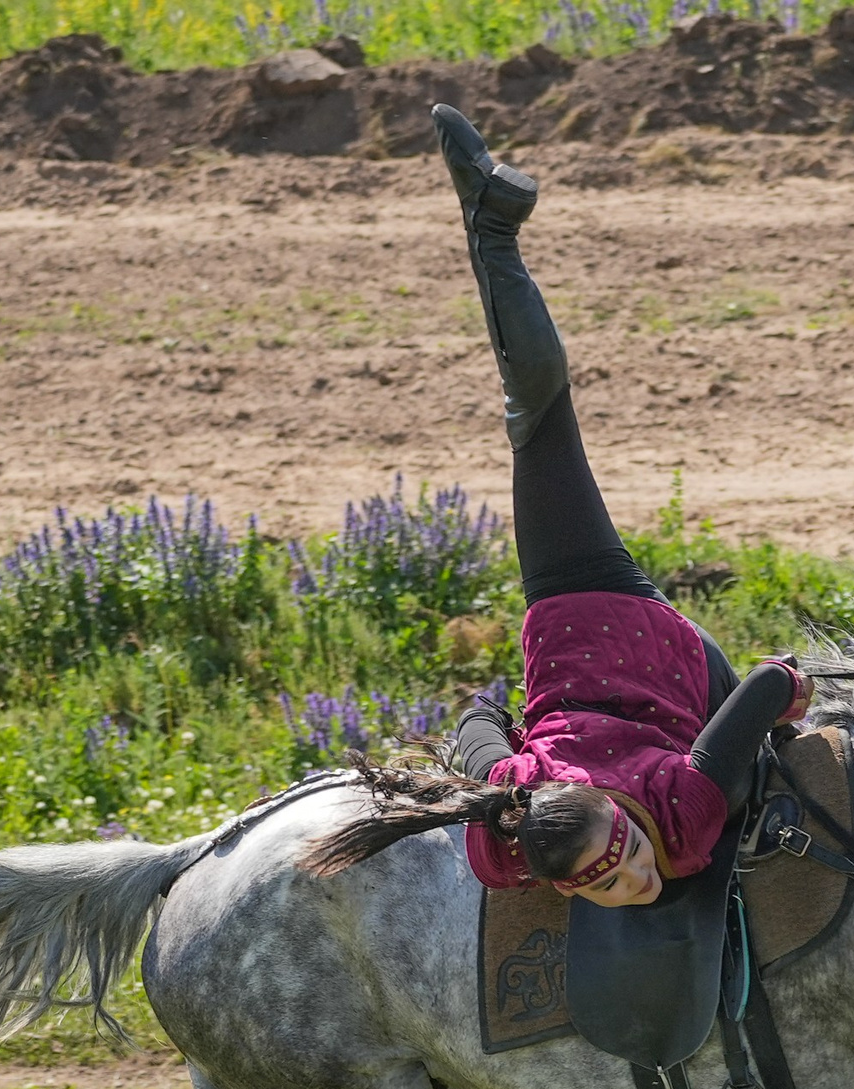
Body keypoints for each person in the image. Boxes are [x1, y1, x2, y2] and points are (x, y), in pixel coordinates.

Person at [301, 107, 807, 906]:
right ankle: (490, 230)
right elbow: (764, 688)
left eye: (626, 859)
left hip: (582, 610)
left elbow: (775, 680)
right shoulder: (675, 809)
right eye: (634, 871)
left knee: (535, 412)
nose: (644, 874)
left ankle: (492, 228)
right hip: (655, 644)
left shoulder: (514, 828)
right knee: (532, 416)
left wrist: (790, 691)